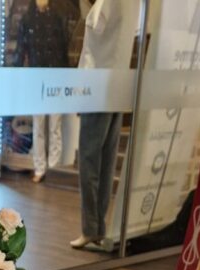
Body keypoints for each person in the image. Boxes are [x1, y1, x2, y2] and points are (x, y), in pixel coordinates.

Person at [71, 0, 140, 249]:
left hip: (98, 87)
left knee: (90, 160)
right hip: (116, 86)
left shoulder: (108, 4)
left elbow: (95, 26)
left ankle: (91, 228)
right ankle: (97, 226)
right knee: (106, 162)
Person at [15, 0, 70, 183]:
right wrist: (15, 75)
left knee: (55, 125)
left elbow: (63, 50)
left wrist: (66, 78)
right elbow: (21, 50)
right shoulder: (27, 20)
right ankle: (40, 167)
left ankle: (53, 167)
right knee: (38, 125)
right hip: (36, 77)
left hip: (56, 77)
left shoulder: (57, 17)